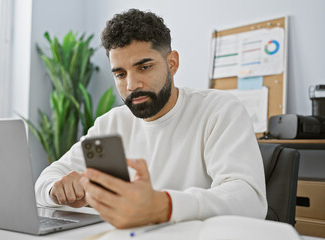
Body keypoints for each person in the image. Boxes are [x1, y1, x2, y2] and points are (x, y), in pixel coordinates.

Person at [35, 8, 267, 229]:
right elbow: (45, 181)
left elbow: (250, 200)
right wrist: (59, 190)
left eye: (144, 67)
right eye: (120, 74)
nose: (131, 85)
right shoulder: (110, 124)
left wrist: (164, 205)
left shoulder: (219, 111)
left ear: (172, 63)